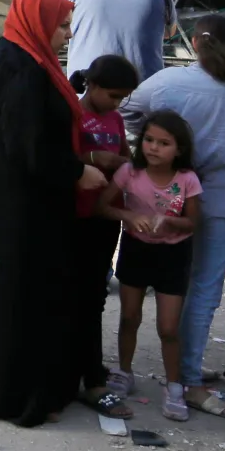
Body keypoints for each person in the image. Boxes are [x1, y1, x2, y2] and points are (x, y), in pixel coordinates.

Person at [0, 0, 106, 425]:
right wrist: (77, 172)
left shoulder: (11, 57)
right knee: (18, 294)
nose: (68, 34)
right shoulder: (20, 68)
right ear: (39, 21)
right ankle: (14, 393)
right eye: (63, 25)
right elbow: (29, 144)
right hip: (17, 208)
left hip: (2, 201)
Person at [118, 15, 225, 418]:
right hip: (219, 196)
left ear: (193, 42)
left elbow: (127, 114)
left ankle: (148, 373)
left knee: (158, 286)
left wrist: (143, 160)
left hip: (160, 196)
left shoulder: (164, 83)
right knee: (203, 291)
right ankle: (187, 379)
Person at [103, 110, 202, 421]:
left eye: (164, 143)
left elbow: (193, 223)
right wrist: (130, 216)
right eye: (148, 140)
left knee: (168, 328)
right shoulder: (130, 173)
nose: (154, 148)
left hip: (173, 256)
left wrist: (169, 222)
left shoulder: (187, 179)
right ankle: (124, 372)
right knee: (130, 317)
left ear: (180, 149)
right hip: (136, 250)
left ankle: (175, 386)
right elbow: (101, 205)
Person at [71, 54, 139, 415]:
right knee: (74, 295)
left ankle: (91, 373)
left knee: (95, 295)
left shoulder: (114, 118)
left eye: (122, 97)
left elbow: (125, 154)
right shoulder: (74, 113)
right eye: (112, 95)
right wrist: (94, 158)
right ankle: (85, 378)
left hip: (105, 217)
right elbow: (63, 156)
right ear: (93, 86)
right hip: (75, 217)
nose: (117, 103)